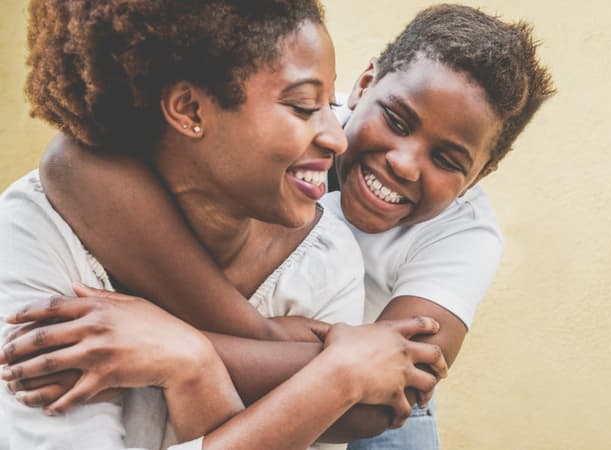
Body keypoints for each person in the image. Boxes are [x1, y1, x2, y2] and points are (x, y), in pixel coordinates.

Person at [5, 3, 555, 449]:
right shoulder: (291, 114)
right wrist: (263, 340)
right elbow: (69, 164)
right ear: (363, 86)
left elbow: (393, 387)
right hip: (321, 360)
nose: (405, 163)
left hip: (362, 401)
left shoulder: (460, 236)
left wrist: (187, 349)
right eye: (396, 121)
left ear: (485, 171)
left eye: (449, 160)